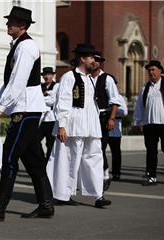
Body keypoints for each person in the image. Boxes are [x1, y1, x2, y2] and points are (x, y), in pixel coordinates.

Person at [0, 6, 54, 222]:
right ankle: (46, 205)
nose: (7, 25)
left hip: (26, 109)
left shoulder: (26, 46)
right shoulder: (18, 46)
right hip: (25, 109)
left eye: (11, 22)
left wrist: (1, 108)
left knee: (10, 157)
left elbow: (18, 81)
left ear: (22, 26)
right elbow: (10, 81)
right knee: (33, 160)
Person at [47, 43, 111, 208]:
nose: (94, 62)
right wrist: (62, 125)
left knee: (94, 158)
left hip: (90, 126)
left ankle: (98, 195)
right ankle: (62, 194)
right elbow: (63, 102)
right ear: (82, 58)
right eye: (91, 58)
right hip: (73, 126)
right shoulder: (69, 77)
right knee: (68, 160)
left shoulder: (90, 79)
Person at [133, 60, 164, 186]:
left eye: (153, 69)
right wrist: (138, 121)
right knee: (151, 150)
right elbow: (139, 106)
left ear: (160, 70)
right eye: (149, 70)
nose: (151, 72)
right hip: (149, 123)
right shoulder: (145, 87)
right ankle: (151, 176)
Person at [90, 51, 122, 191]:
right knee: (90, 147)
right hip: (90, 117)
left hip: (103, 116)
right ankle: (92, 176)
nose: (94, 62)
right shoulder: (86, 78)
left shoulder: (107, 78)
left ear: (100, 62)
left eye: (97, 60)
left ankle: (105, 175)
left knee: (100, 147)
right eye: (92, 60)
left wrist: (112, 118)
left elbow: (115, 100)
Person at [38, 67, 59, 160]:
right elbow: (36, 99)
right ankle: (42, 161)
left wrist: (42, 97)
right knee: (34, 140)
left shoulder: (57, 86)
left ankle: (49, 164)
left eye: (49, 74)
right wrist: (46, 95)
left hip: (52, 119)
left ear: (53, 75)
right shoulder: (40, 86)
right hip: (42, 119)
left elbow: (52, 101)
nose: (46, 77)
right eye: (45, 75)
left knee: (50, 143)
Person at [108, 95, 128, 181]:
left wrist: (112, 111)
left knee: (115, 152)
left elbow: (124, 112)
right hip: (102, 128)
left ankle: (116, 173)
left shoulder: (119, 98)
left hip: (115, 129)